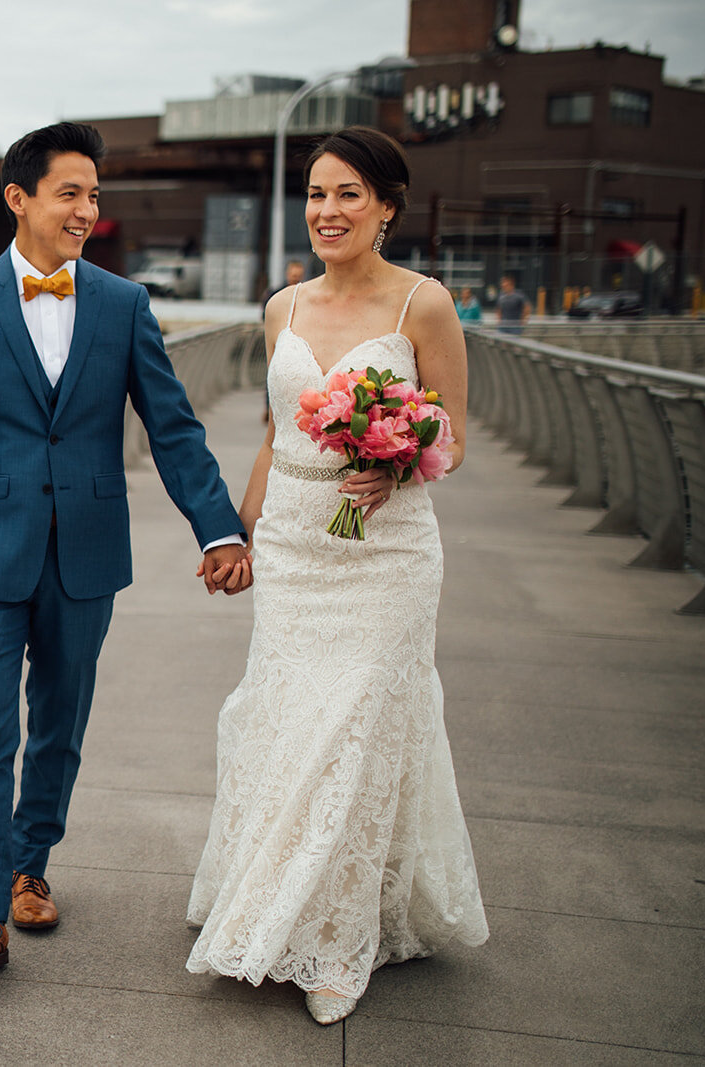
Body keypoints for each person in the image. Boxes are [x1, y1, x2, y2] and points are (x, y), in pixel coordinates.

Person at [0, 122, 251, 975]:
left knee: (59, 726)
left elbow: (172, 429)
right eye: (71, 192)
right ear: (18, 199)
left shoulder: (125, 305)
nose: (88, 210)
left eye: (95, 195)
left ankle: (30, 866)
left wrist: (219, 526)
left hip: (87, 556)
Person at [184, 126, 489, 1025]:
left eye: (349, 193)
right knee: (286, 720)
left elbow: (456, 435)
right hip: (294, 548)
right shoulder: (282, 308)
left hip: (385, 556)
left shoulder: (422, 306)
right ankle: (274, 894)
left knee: (355, 730)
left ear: (388, 205)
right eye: (317, 194)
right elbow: (277, 438)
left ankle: (337, 942)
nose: (328, 211)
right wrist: (231, 537)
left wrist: (398, 461)